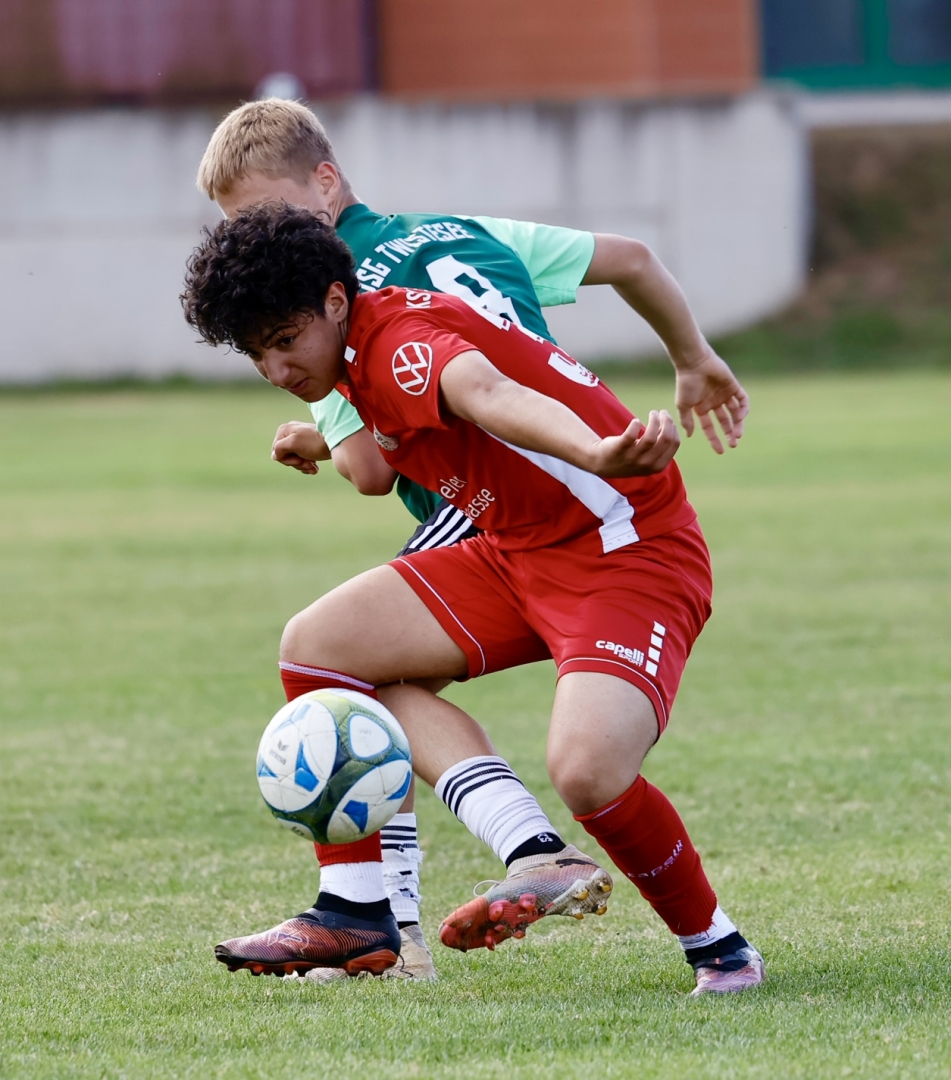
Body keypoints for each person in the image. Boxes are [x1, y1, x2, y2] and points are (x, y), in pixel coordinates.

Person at [194, 99, 751, 980]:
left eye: (284, 344)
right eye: (255, 354)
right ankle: (365, 913)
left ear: (333, 297)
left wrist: (593, 448)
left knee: (587, 771)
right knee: (320, 650)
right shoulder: (365, 325)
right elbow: (403, 432)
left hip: (622, 546)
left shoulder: (392, 339)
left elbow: (485, 393)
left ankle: (719, 952)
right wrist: (326, 435)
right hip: (511, 543)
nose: (275, 371)